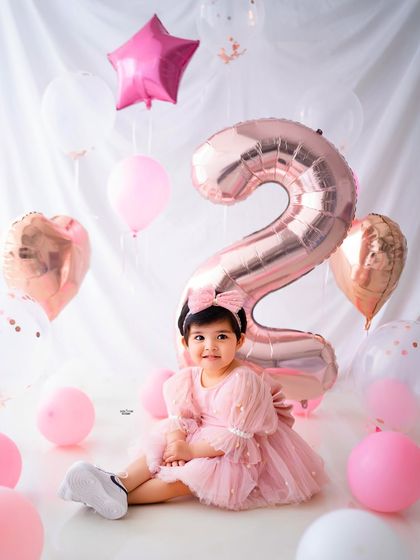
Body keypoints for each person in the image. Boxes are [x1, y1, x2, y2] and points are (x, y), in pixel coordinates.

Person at [58, 286, 328, 519]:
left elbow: (236, 440)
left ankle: (117, 498)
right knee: (158, 448)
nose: (210, 346)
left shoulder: (243, 381)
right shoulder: (187, 379)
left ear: (240, 340)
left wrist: (189, 452)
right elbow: (179, 419)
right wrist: (177, 441)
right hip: (199, 433)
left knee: (189, 478)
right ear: (186, 343)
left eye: (221, 337)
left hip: (236, 447)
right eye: (200, 337)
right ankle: (115, 482)